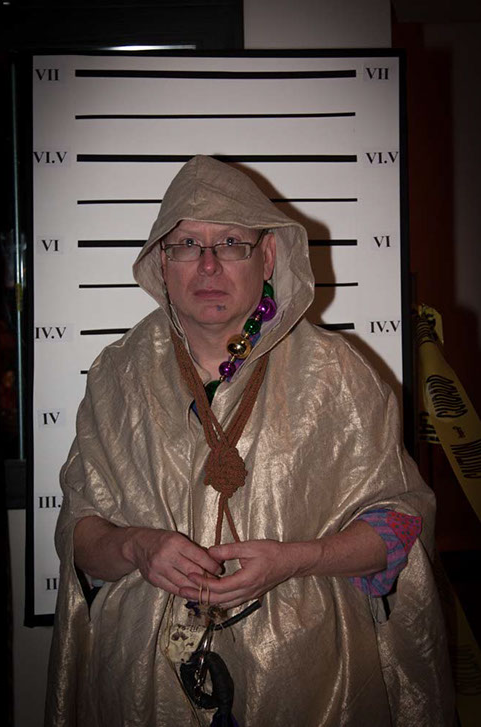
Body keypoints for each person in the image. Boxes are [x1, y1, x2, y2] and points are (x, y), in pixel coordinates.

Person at [45, 155, 454, 726]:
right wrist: (138, 547)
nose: (208, 264)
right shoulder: (117, 375)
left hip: (309, 676)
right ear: (160, 261)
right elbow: (81, 534)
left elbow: (401, 524)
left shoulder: (337, 373)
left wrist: (297, 560)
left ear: (268, 256)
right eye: (186, 244)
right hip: (144, 681)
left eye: (232, 242)